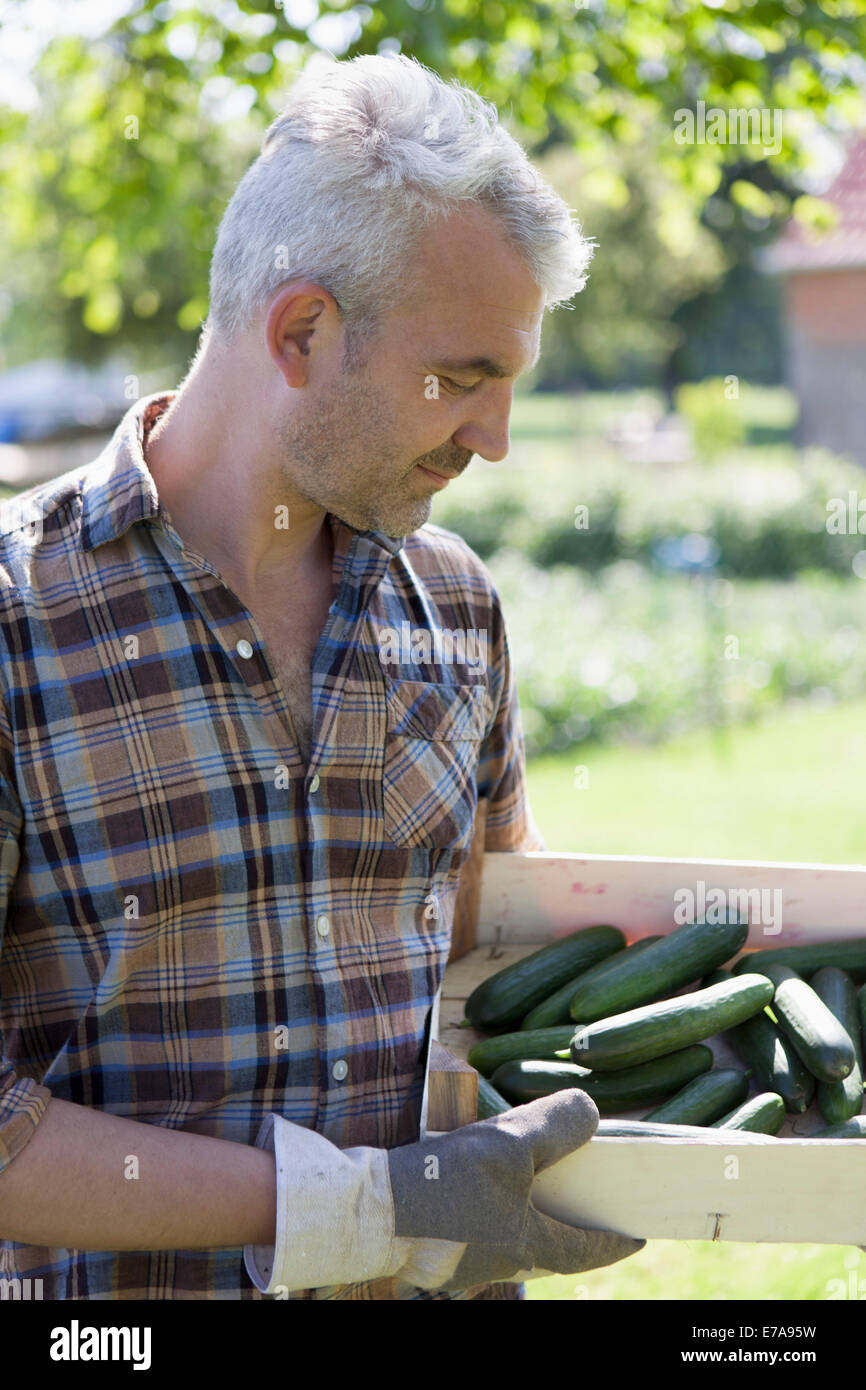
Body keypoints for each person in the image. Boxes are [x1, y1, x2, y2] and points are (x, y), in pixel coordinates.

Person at [0, 51, 644, 1300]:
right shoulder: (17, 619)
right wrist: (365, 1206)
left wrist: (759, 981)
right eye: (458, 379)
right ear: (299, 329)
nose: (494, 440)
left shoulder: (453, 604)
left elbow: (489, 939)